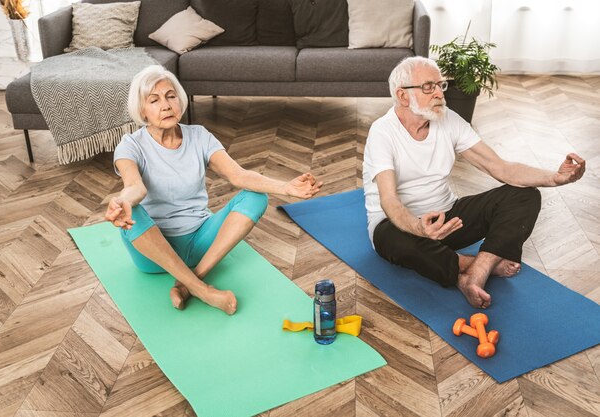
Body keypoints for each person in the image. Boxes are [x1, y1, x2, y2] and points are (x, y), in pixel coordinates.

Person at [363, 56, 585, 309]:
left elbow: (499, 167)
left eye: (440, 85)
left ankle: (477, 272)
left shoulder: (449, 120)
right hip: (398, 225)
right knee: (398, 244)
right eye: (428, 87)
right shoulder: (382, 132)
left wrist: (554, 178)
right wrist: (419, 228)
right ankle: (470, 265)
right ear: (403, 96)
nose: (439, 93)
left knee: (526, 195)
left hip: (447, 218)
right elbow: (389, 200)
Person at [105, 65, 322, 315]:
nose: (166, 105)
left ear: (180, 99)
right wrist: (123, 202)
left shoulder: (199, 136)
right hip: (152, 253)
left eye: (171, 96)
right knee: (134, 213)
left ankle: (190, 282)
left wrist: (286, 187)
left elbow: (237, 175)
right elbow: (134, 187)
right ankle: (202, 290)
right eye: (154, 100)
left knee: (255, 197)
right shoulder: (130, 145)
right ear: (141, 109)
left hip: (199, 244)